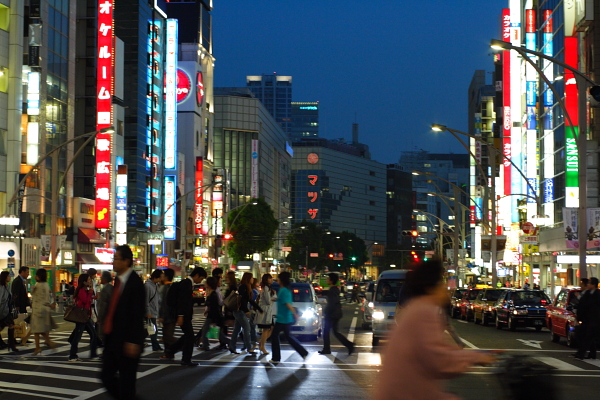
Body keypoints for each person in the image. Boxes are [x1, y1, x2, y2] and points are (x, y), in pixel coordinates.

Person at [374, 259, 495, 400]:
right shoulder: (423, 311)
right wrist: (478, 357)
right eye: (441, 283)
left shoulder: (416, 308)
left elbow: (434, 350)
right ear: (431, 288)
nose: (444, 288)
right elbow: (438, 359)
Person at [100, 245, 146, 399]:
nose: (114, 262)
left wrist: (134, 341)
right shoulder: (118, 282)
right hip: (113, 339)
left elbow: (137, 313)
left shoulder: (135, 283)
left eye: (116, 259)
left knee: (127, 383)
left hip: (128, 341)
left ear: (126, 261)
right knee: (106, 377)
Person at [162, 267, 207, 366]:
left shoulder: (186, 283)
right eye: (201, 278)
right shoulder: (187, 284)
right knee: (190, 336)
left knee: (188, 335)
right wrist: (181, 315)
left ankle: (171, 350)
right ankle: (186, 359)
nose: (200, 281)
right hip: (183, 315)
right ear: (196, 275)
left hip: (184, 314)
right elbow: (182, 301)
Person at [269, 271, 308, 363]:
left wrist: (295, 313)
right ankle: (303, 352)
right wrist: (276, 299)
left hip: (283, 319)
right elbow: (284, 300)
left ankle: (276, 357)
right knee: (288, 337)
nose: (277, 279)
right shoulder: (286, 290)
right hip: (286, 318)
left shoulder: (283, 290)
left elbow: (287, 304)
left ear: (281, 280)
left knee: (274, 336)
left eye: (278, 278)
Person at [319, 273, 354, 355]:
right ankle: (349, 345)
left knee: (326, 331)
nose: (326, 280)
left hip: (332, 314)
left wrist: (326, 312)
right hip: (335, 314)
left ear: (331, 280)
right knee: (334, 332)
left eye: (328, 279)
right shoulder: (334, 289)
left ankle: (327, 349)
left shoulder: (333, 290)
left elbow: (333, 303)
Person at [229, 272, 262, 354]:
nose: (252, 279)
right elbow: (242, 300)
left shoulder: (246, 287)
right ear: (248, 279)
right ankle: (249, 348)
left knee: (237, 330)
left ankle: (232, 347)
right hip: (239, 311)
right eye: (251, 278)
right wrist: (246, 310)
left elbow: (250, 300)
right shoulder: (243, 287)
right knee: (247, 329)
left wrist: (259, 309)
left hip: (239, 311)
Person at [68, 273, 98, 362]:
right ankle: (72, 356)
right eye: (88, 280)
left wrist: (93, 296)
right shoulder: (81, 290)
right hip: (81, 316)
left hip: (85, 316)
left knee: (93, 334)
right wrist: (90, 293)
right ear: (84, 282)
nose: (90, 281)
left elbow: (87, 301)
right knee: (78, 337)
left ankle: (93, 354)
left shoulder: (85, 290)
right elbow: (85, 301)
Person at [30, 268, 56, 355]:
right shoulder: (46, 285)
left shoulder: (39, 285)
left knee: (37, 330)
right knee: (37, 330)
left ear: (39, 276)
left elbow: (33, 294)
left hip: (38, 310)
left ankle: (47, 343)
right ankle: (38, 347)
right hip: (44, 309)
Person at [198, 277, 228, 350]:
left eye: (206, 282)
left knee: (209, 331)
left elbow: (214, 308)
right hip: (212, 315)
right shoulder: (211, 293)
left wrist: (214, 320)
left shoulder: (213, 294)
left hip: (212, 316)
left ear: (209, 284)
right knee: (216, 333)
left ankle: (206, 346)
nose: (204, 284)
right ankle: (205, 345)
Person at [573, 277, 600, 360]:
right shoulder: (587, 293)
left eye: (589, 283)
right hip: (586, 319)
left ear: (594, 285)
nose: (587, 285)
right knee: (586, 336)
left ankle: (581, 354)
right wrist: (579, 317)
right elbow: (582, 305)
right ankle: (592, 354)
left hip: (595, 320)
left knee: (587, 337)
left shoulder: (598, 294)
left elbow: (589, 305)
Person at [254, 274, 276, 355]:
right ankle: (262, 346)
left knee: (271, 328)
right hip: (265, 311)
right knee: (266, 329)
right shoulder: (266, 288)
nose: (271, 279)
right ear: (266, 280)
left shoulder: (268, 288)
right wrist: (274, 295)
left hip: (268, 312)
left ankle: (261, 343)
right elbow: (268, 301)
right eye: (270, 278)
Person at [158, 268, 176, 356]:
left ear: (166, 277)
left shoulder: (165, 287)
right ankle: (168, 353)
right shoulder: (171, 286)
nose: (161, 276)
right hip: (171, 315)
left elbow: (163, 304)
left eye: (163, 274)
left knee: (168, 336)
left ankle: (186, 344)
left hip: (168, 316)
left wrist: (162, 316)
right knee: (166, 336)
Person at [11, 266, 31, 345]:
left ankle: (24, 337)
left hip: (22, 305)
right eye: (27, 272)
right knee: (17, 322)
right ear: (22, 272)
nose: (28, 274)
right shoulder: (17, 281)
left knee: (22, 322)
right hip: (19, 306)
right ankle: (15, 338)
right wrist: (16, 305)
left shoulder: (21, 281)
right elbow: (16, 294)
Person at [144, 269, 163, 352]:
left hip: (154, 311)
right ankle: (155, 347)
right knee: (153, 330)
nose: (160, 280)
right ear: (155, 277)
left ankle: (137, 342)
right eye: (159, 278)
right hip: (150, 312)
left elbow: (158, 299)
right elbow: (146, 300)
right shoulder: (147, 286)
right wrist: (148, 312)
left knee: (150, 330)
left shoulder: (156, 285)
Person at [0, 271, 18, 352]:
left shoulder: (7, 286)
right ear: (5, 277)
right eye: (8, 276)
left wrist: (12, 299)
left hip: (6, 310)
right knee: (11, 325)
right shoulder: (1, 287)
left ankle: (11, 344)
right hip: (2, 310)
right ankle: (11, 345)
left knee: (11, 325)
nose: (10, 277)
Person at [96, 270, 114, 347]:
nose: (101, 279)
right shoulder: (112, 288)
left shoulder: (105, 289)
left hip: (105, 315)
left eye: (102, 278)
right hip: (112, 315)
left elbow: (103, 305)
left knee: (104, 334)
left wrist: (99, 316)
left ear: (105, 279)